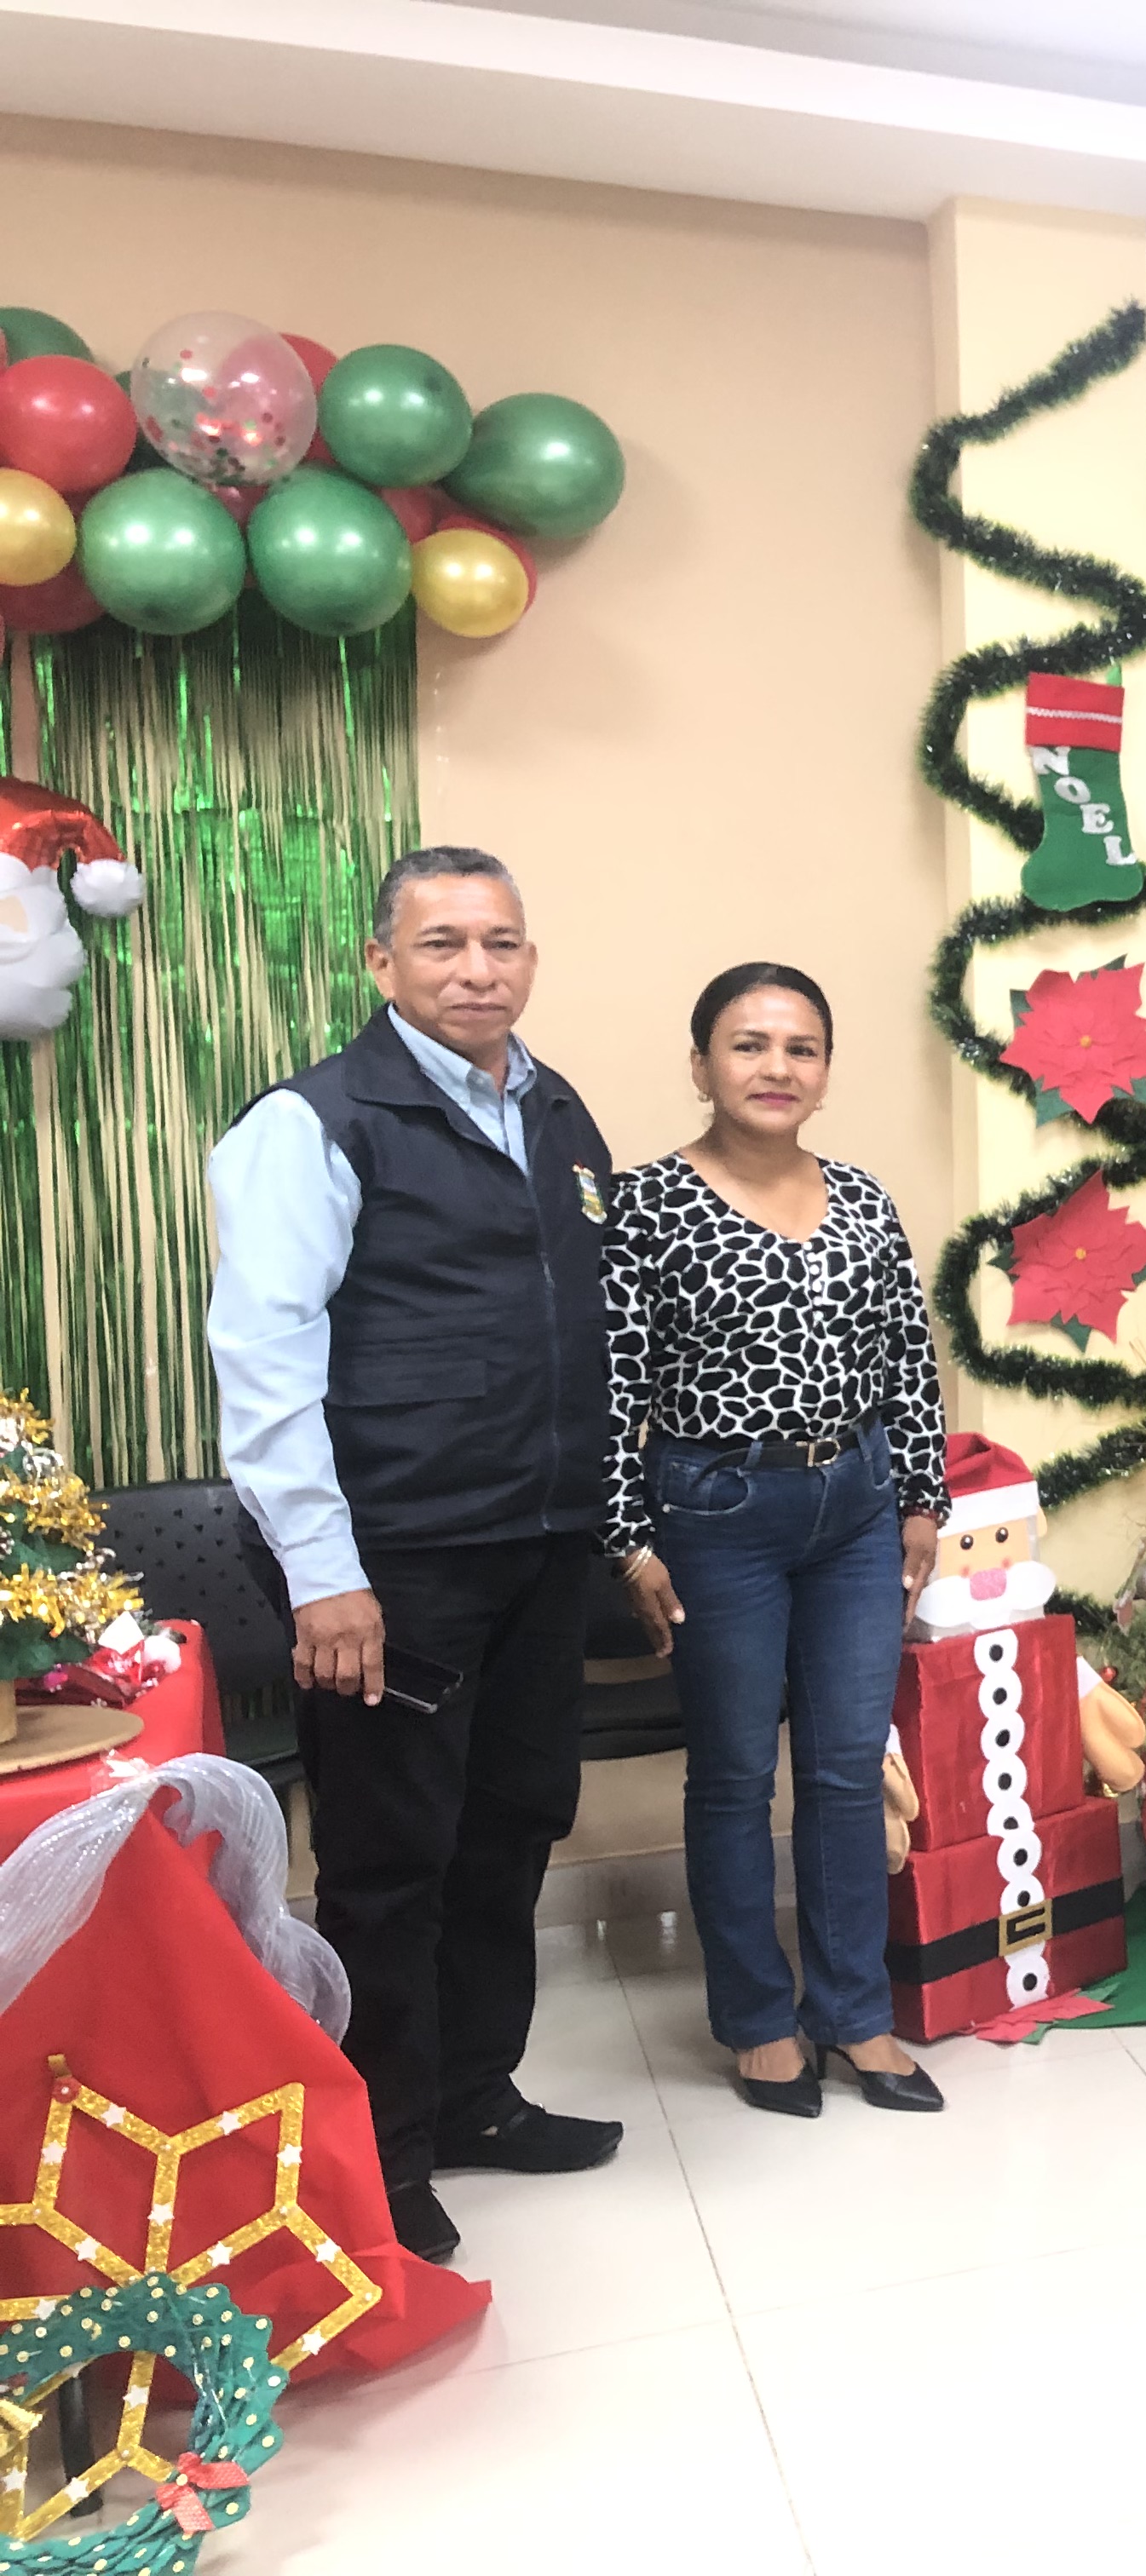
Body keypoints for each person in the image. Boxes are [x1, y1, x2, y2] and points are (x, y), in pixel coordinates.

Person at [207, 846, 624, 2265]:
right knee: (391, 1863)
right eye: (442, 943)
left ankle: (472, 2096)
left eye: (500, 942)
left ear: (529, 959)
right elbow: (265, 1364)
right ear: (381, 964)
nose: (476, 969)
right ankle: (376, 2152)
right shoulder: (314, 1122)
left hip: (541, 1542)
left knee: (512, 1827)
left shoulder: (557, 1111)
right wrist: (323, 1571)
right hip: (393, 1564)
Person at [607, 965, 951, 2119]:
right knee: (736, 1776)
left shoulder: (864, 1199)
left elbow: (907, 1359)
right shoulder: (647, 1205)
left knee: (849, 1772)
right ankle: (760, 2022)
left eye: (801, 1048)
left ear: (826, 1071)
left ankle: (855, 2014)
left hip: (855, 1510)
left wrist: (922, 1499)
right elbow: (611, 1390)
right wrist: (629, 1543)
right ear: (701, 1065)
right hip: (716, 1518)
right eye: (748, 1045)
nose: (775, 1068)